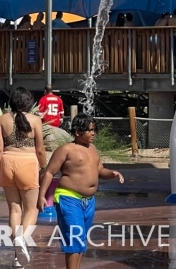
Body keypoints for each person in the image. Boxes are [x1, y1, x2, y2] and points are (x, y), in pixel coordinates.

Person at [39, 114, 124, 269]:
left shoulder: (93, 149)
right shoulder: (66, 149)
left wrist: (112, 173)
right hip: (68, 198)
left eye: (94, 130)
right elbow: (49, 172)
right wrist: (42, 195)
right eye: (89, 130)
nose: (93, 133)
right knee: (74, 240)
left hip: (89, 201)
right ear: (78, 132)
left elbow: (100, 170)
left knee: (81, 240)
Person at [0, 86, 46, 268]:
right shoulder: (35, 120)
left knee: (14, 210)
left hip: (7, 163)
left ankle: (17, 257)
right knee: (32, 210)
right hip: (28, 163)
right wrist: (44, 168)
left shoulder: (2, 119)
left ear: (12, 102)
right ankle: (22, 239)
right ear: (29, 102)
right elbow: (40, 149)